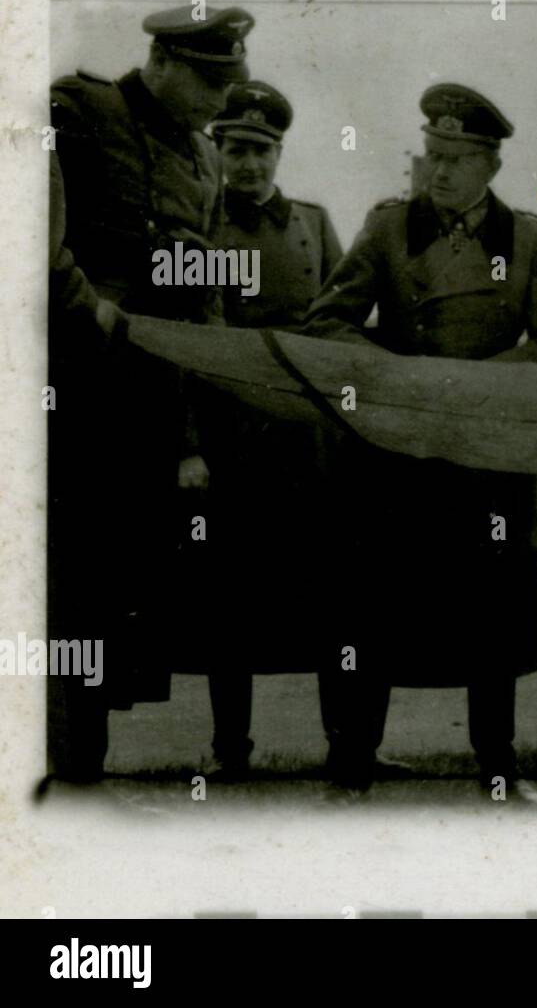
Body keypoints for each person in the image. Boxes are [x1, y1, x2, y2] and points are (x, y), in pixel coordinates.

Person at [303, 83, 537, 799]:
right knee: (374, 609)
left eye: (455, 158)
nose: (438, 171)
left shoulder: (530, 240)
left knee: (493, 618)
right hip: (396, 457)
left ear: (491, 167)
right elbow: (329, 319)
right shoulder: (387, 228)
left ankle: (498, 766)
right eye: (432, 155)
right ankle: (351, 764)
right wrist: (392, 375)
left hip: (486, 455)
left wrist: (484, 388)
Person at [47, 5, 254, 781]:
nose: (217, 98)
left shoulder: (203, 158)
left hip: (150, 408)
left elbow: (195, 291)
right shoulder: (84, 110)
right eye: (206, 79)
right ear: (160, 60)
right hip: (76, 398)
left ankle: (84, 765)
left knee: (119, 595)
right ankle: (65, 763)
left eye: (226, 82)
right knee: (69, 591)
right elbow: (40, 234)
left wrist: (195, 428)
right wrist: (92, 309)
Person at [200, 81, 345, 777]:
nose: (248, 164)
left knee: (328, 595)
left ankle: (344, 745)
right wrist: (190, 447)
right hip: (232, 443)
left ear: (279, 151)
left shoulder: (313, 224)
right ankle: (232, 751)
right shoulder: (200, 229)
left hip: (310, 446)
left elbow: (344, 325)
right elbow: (196, 340)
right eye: (235, 149)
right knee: (231, 601)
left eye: (260, 150)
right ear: (218, 151)